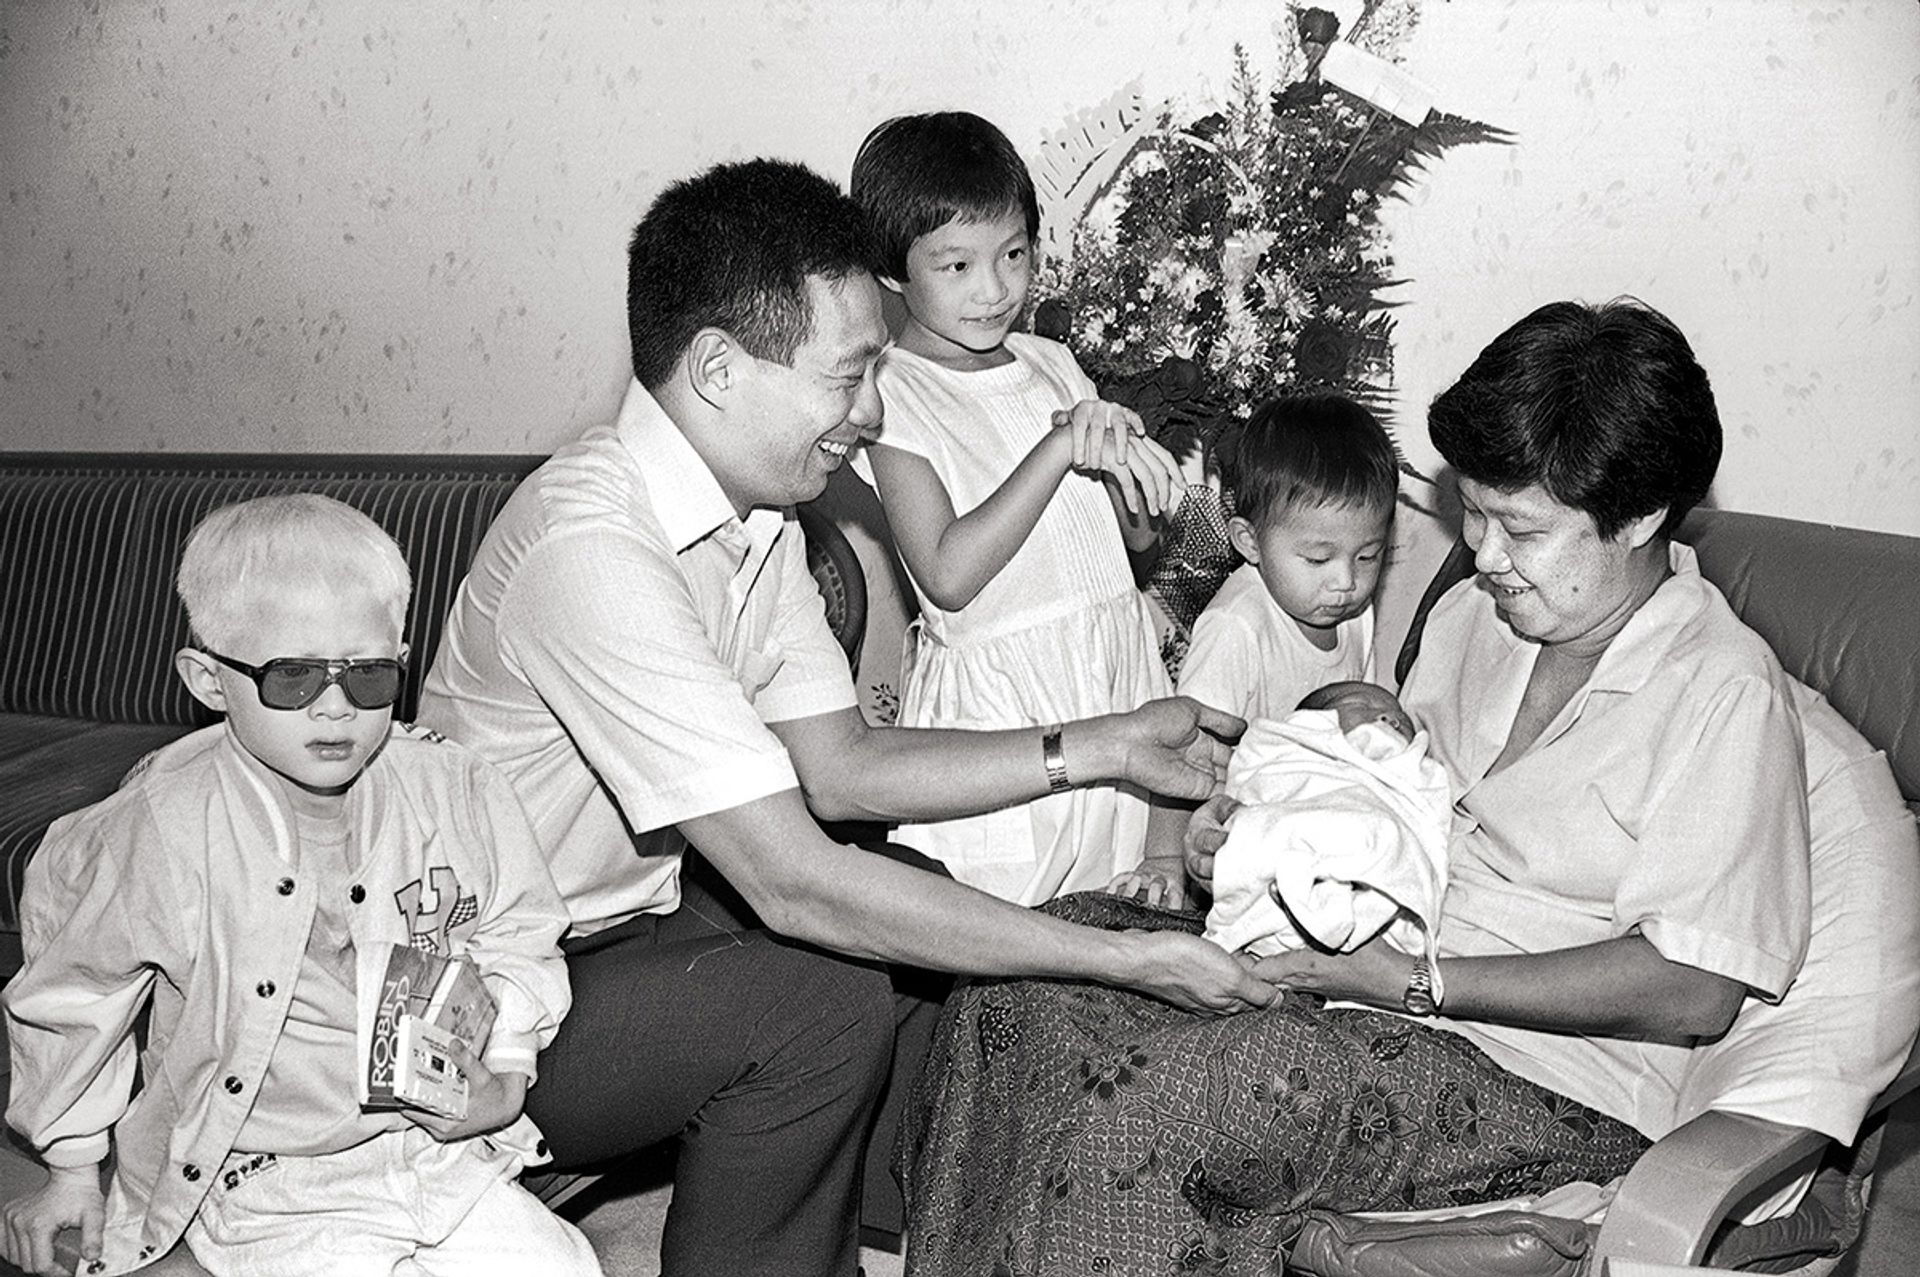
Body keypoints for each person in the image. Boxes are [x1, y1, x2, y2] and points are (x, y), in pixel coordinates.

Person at [414, 157, 1272, 1277]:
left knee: (928, 907)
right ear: (719, 368)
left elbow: (846, 766)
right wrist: (1126, 962)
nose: (871, 413)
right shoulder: (595, 546)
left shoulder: (754, 518)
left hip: (634, 927)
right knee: (825, 991)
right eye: (852, 374)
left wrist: (1103, 745)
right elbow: (794, 877)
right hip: (487, 992)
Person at [901, 299, 1820, 1276]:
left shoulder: (1720, 690)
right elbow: (1377, 797)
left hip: (1549, 1074)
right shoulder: (1478, 617)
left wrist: (1415, 983)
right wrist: (1245, 836)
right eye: (1473, 510)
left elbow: (1694, 986)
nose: (1482, 553)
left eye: (1518, 526)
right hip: (1350, 973)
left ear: (1638, 516)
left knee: (1184, 1095)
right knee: (1024, 986)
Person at [1, 495, 597, 1277]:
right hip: (264, 1179)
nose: (337, 707)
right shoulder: (163, 826)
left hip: (433, 1157)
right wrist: (73, 1166)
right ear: (210, 680)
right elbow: (75, 994)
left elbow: (521, 926)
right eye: (293, 676)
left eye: (370, 675)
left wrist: (510, 1058)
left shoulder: (456, 787)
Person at [848, 110, 1189, 906]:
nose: (994, 289)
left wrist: (1135, 483)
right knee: (1008, 930)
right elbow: (947, 573)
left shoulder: (1054, 362)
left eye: (1012, 255)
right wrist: (1059, 448)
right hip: (1001, 709)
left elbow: (1129, 545)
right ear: (893, 271)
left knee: (1117, 918)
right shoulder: (896, 391)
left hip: (1107, 667)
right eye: (957, 265)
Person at [1174, 392, 1399, 726]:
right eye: (1318, 559)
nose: (1346, 582)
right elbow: (1195, 753)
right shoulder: (1234, 630)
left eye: (1367, 556)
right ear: (1250, 542)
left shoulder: (1356, 611)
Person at [1202, 680, 1451, 968]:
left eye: (1400, 717)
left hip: (1372, 874)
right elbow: (1262, 790)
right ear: (1311, 722)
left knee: (1388, 842)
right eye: (1361, 705)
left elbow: (1425, 821)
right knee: (1266, 840)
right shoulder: (1295, 756)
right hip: (1297, 841)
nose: (1389, 718)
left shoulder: (1409, 775)